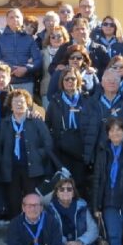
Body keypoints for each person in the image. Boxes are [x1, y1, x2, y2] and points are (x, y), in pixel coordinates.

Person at [0, 89, 57, 217]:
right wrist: (2, 161)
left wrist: (38, 156)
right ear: (10, 105)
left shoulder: (36, 121)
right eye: (15, 102)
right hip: (11, 170)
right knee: (14, 202)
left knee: (32, 200)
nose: (19, 104)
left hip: (32, 170)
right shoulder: (5, 123)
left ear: (27, 103)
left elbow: (48, 143)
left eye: (22, 102)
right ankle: (17, 229)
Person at [45, 67, 100, 197]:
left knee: (80, 184)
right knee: (64, 185)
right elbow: (48, 125)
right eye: (67, 79)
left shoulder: (87, 100)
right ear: (62, 82)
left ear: (79, 80)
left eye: (73, 79)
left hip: (81, 149)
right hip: (62, 150)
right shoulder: (55, 101)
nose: (70, 81)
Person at [0, 8, 42, 94]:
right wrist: (12, 69)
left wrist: (26, 68)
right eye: (11, 17)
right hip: (6, 82)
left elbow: (38, 60)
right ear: (7, 20)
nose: (15, 19)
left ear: (22, 19)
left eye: (17, 17)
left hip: (27, 82)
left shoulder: (30, 39)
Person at [40, 25, 69, 107]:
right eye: (53, 36)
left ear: (64, 37)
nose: (56, 39)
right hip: (47, 90)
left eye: (59, 36)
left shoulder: (70, 53)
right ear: (49, 39)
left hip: (66, 90)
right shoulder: (41, 53)